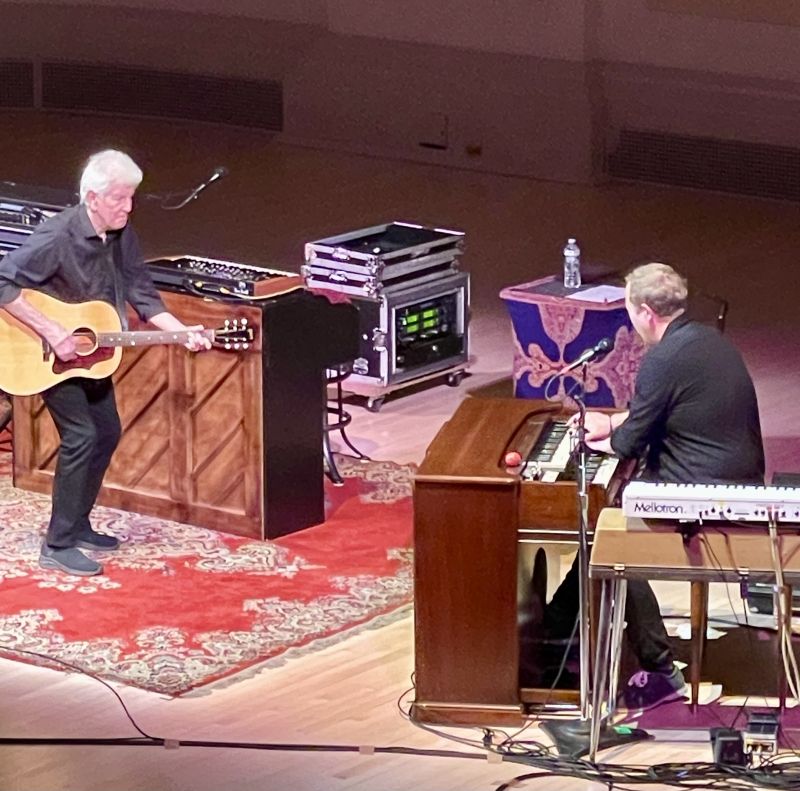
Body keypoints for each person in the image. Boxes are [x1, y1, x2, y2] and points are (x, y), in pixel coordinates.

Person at [544, 261, 765, 709]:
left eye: (629, 312)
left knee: (612, 546)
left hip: (704, 496)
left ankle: (659, 670)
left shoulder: (662, 358)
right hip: (734, 478)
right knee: (606, 536)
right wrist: (616, 420)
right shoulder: (706, 341)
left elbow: (628, 443)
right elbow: (670, 411)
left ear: (646, 312)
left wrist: (586, 443)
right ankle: (552, 637)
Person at [0, 150, 211, 577]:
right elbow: (3, 281)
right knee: (81, 435)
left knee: (107, 431)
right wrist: (52, 331)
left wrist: (182, 331)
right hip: (46, 352)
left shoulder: (120, 235)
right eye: (119, 199)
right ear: (93, 197)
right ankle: (56, 545)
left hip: (91, 355)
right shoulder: (57, 236)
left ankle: (77, 526)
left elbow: (142, 292)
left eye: (131, 198)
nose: (128, 207)